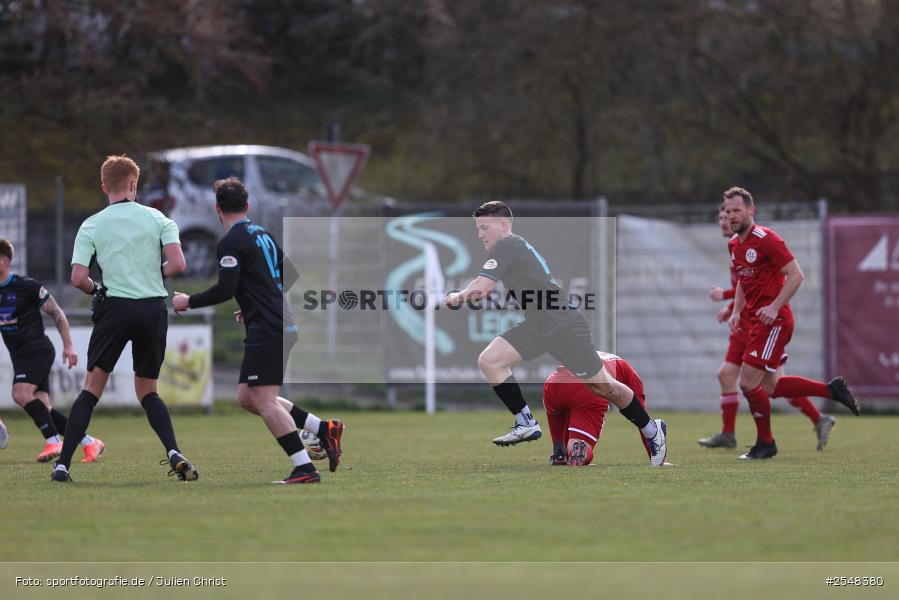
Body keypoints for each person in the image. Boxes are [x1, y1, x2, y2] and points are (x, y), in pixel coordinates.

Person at [444, 201, 668, 466]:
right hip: (539, 326)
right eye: (478, 228)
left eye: (484, 227)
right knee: (490, 360)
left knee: (603, 387)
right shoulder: (511, 246)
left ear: (503, 226)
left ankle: (652, 430)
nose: (480, 234)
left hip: (563, 325)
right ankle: (525, 421)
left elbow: (481, 290)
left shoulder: (507, 245)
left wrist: (455, 297)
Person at [172, 177, 343, 485]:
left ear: (217, 209)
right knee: (248, 397)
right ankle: (323, 429)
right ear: (247, 206)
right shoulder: (261, 232)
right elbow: (288, 274)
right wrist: (253, 302)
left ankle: (304, 468)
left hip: (269, 326)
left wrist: (188, 300)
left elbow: (225, 289)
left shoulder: (230, 241)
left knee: (263, 400)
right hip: (274, 321)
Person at [51, 155, 197, 483]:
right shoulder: (159, 219)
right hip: (151, 309)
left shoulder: (91, 224)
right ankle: (173, 450)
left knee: (91, 389)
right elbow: (177, 264)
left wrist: (97, 288)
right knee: (148, 391)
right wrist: (151, 275)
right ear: (134, 184)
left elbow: (78, 278)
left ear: (104, 187)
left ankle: (63, 464)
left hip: (115, 308)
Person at [722, 186, 860, 460]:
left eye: (737, 210)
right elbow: (742, 279)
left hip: (775, 322)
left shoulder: (767, 239)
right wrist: (737, 310)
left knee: (748, 382)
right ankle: (831, 390)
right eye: (728, 211)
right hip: (756, 322)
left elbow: (797, 275)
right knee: (771, 387)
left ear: (751, 210)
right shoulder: (734, 245)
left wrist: (773, 307)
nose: (732, 216)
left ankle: (766, 443)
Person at [699, 208, 837, 451]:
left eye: (729, 215)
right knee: (728, 375)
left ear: (747, 213)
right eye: (721, 216)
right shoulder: (735, 246)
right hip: (746, 324)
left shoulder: (758, 242)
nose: (724, 221)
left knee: (773, 385)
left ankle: (816, 415)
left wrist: (726, 297)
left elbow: (762, 282)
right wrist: (733, 308)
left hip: (764, 323)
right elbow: (748, 286)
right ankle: (730, 434)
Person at [0, 239, 105, 463]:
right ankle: (89, 443)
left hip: (38, 350)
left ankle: (53, 440)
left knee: (20, 393)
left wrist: (68, 345)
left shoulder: (26, 286)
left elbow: (57, 313)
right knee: (44, 407)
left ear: (4, 261)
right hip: (19, 356)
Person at [543, 351, 653, 466]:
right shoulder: (628, 372)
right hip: (587, 390)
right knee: (579, 442)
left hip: (554, 384)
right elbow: (643, 419)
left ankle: (559, 453)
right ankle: (581, 450)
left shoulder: (591, 354)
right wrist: (654, 456)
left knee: (555, 408)